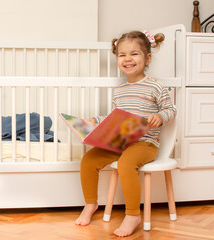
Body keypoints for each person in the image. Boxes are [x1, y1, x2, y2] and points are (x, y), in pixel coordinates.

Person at [75, 30, 177, 237]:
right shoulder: (120, 90)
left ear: (147, 58)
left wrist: (160, 116)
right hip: (121, 140)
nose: (128, 59)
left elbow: (171, 110)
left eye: (134, 54)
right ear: (117, 59)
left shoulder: (155, 85)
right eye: (122, 55)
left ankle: (133, 215)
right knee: (88, 159)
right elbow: (115, 117)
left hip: (145, 143)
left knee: (126, 164)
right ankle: (91, 204)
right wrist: (97, 122)